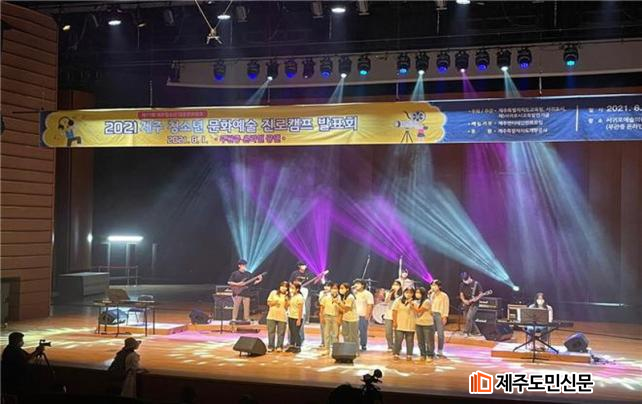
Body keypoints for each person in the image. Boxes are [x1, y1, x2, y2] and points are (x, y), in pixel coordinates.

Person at [392, 287, 417, 360]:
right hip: (400, 323)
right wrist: (394, 322)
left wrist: (411, 304)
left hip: (410, 324)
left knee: (410, 340)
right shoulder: (398, 300)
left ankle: (409, 354)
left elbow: (417, 311)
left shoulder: (415, 302)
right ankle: (396, 353)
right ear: (404, 293)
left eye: (411, 293)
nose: (408, 294)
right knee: (398, 340)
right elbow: (394, 311)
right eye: (407, 292)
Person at [266, 281, 289, 352]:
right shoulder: (273, 292)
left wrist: (286, 299)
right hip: (271, 315)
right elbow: (268, 303)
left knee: (281, 333)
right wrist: (275, 302)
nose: (283, 288)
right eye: (282, 286)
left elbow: (287, 307)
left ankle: (279, 346)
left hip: (282, 316)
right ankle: (271, 346)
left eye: (285, 287)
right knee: (271, 332)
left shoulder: (288, 296)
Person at [459, 271, 483, 337]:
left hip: (474, 304)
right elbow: (461, 294)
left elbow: (481, 293)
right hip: (466, 303)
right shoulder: (462, 284)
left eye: (466, 280)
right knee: (467, 318)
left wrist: (476, 299)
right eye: (464, 280)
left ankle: (466, 332)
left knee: (469, 317)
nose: (465, 282)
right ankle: (477, 332)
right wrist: (464, 300)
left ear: (469, 277)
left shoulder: (476, 284)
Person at [319, 282, 340, 356]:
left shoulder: (340, 297)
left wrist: (339, 318)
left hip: (335, 317)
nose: (334, 290)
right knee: (326, 334)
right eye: (333, 288)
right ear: (330, 289)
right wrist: (321, 317)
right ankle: (327, 349)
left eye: (336, 288)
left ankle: (335, 350)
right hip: (327, 316)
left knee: (335, 335)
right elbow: (322, 307)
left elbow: (341, 309)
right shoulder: (326, 297)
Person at [430, 279, 450, 358]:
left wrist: (445, 316)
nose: (433, 287)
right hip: (431, 314)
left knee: (440, 334)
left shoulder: (444, 295)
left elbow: (446, 306)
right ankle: (431, 350)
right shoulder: (431, 295)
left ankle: (440, 350)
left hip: (439, 315)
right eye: (432, 285)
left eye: (435, 285)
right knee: (431, 333)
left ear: (439, 286)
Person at [414, 287, 435, 362]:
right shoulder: (416, 302)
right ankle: (422, 354)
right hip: (418, 323)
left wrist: (412, 305)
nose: (417, 294)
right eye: (416, 292)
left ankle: (430, 355)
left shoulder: (427, 301)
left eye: (419, 292)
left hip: (427, 324)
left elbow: (419, 311)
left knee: (429, 341)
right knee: (420, 340)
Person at [353, 279, 374, 351]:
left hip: (363, 315)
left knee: (362, 331)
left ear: (362, 285)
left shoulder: (368, 294)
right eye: (355, 283)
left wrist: (367, 314)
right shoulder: (353, 293)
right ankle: (354, 345)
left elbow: (370, 305)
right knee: (353, 331)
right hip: (353, 315)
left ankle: (363, 345)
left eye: (358, 283)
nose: (356, 285)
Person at [383, 280, 402, 351]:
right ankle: (390, 346)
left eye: (397, 285)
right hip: (388, 315)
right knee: (388, 332)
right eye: (394, 284)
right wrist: (390, 293)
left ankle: (397, 346)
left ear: (400, 286)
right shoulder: (389, 293)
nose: (395, 286)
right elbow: (386, 302)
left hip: (398, 315)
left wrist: (396, 294)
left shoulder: (402, 295)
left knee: (398, 332)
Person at [338, 283, 359, 349]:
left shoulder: (350, 297)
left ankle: (355, 350)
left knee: (353, 336)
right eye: (340, 288)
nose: (340, 290)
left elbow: (347, 308)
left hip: (352, 319)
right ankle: (347, 349)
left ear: (347, 289)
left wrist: (338, 302)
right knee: (345, 334)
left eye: (342, 288)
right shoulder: (345, 296)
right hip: (345, 318)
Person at [287, 281, 305, 353]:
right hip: (290, 316)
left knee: (296, 332)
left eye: (293, 288)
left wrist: (299, 319)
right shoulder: (292, 296)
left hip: (296, 317)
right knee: (292, 332)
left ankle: (298, 346)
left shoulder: (300, 297)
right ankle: (291, 345)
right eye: (290, 288)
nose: (291, 289)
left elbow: (300, 309)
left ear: (297, 289)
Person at [317, 282, 332, 348]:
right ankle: (323, 342)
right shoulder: (321, 293)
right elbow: (320, 301)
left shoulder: (332, 294)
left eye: (328, 286)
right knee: (323, 328)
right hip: (323, 312)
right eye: (325, 286)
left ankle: (329, 343)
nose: (326, 287)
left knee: (330, 329)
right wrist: (324, 295)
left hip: (331, 313)